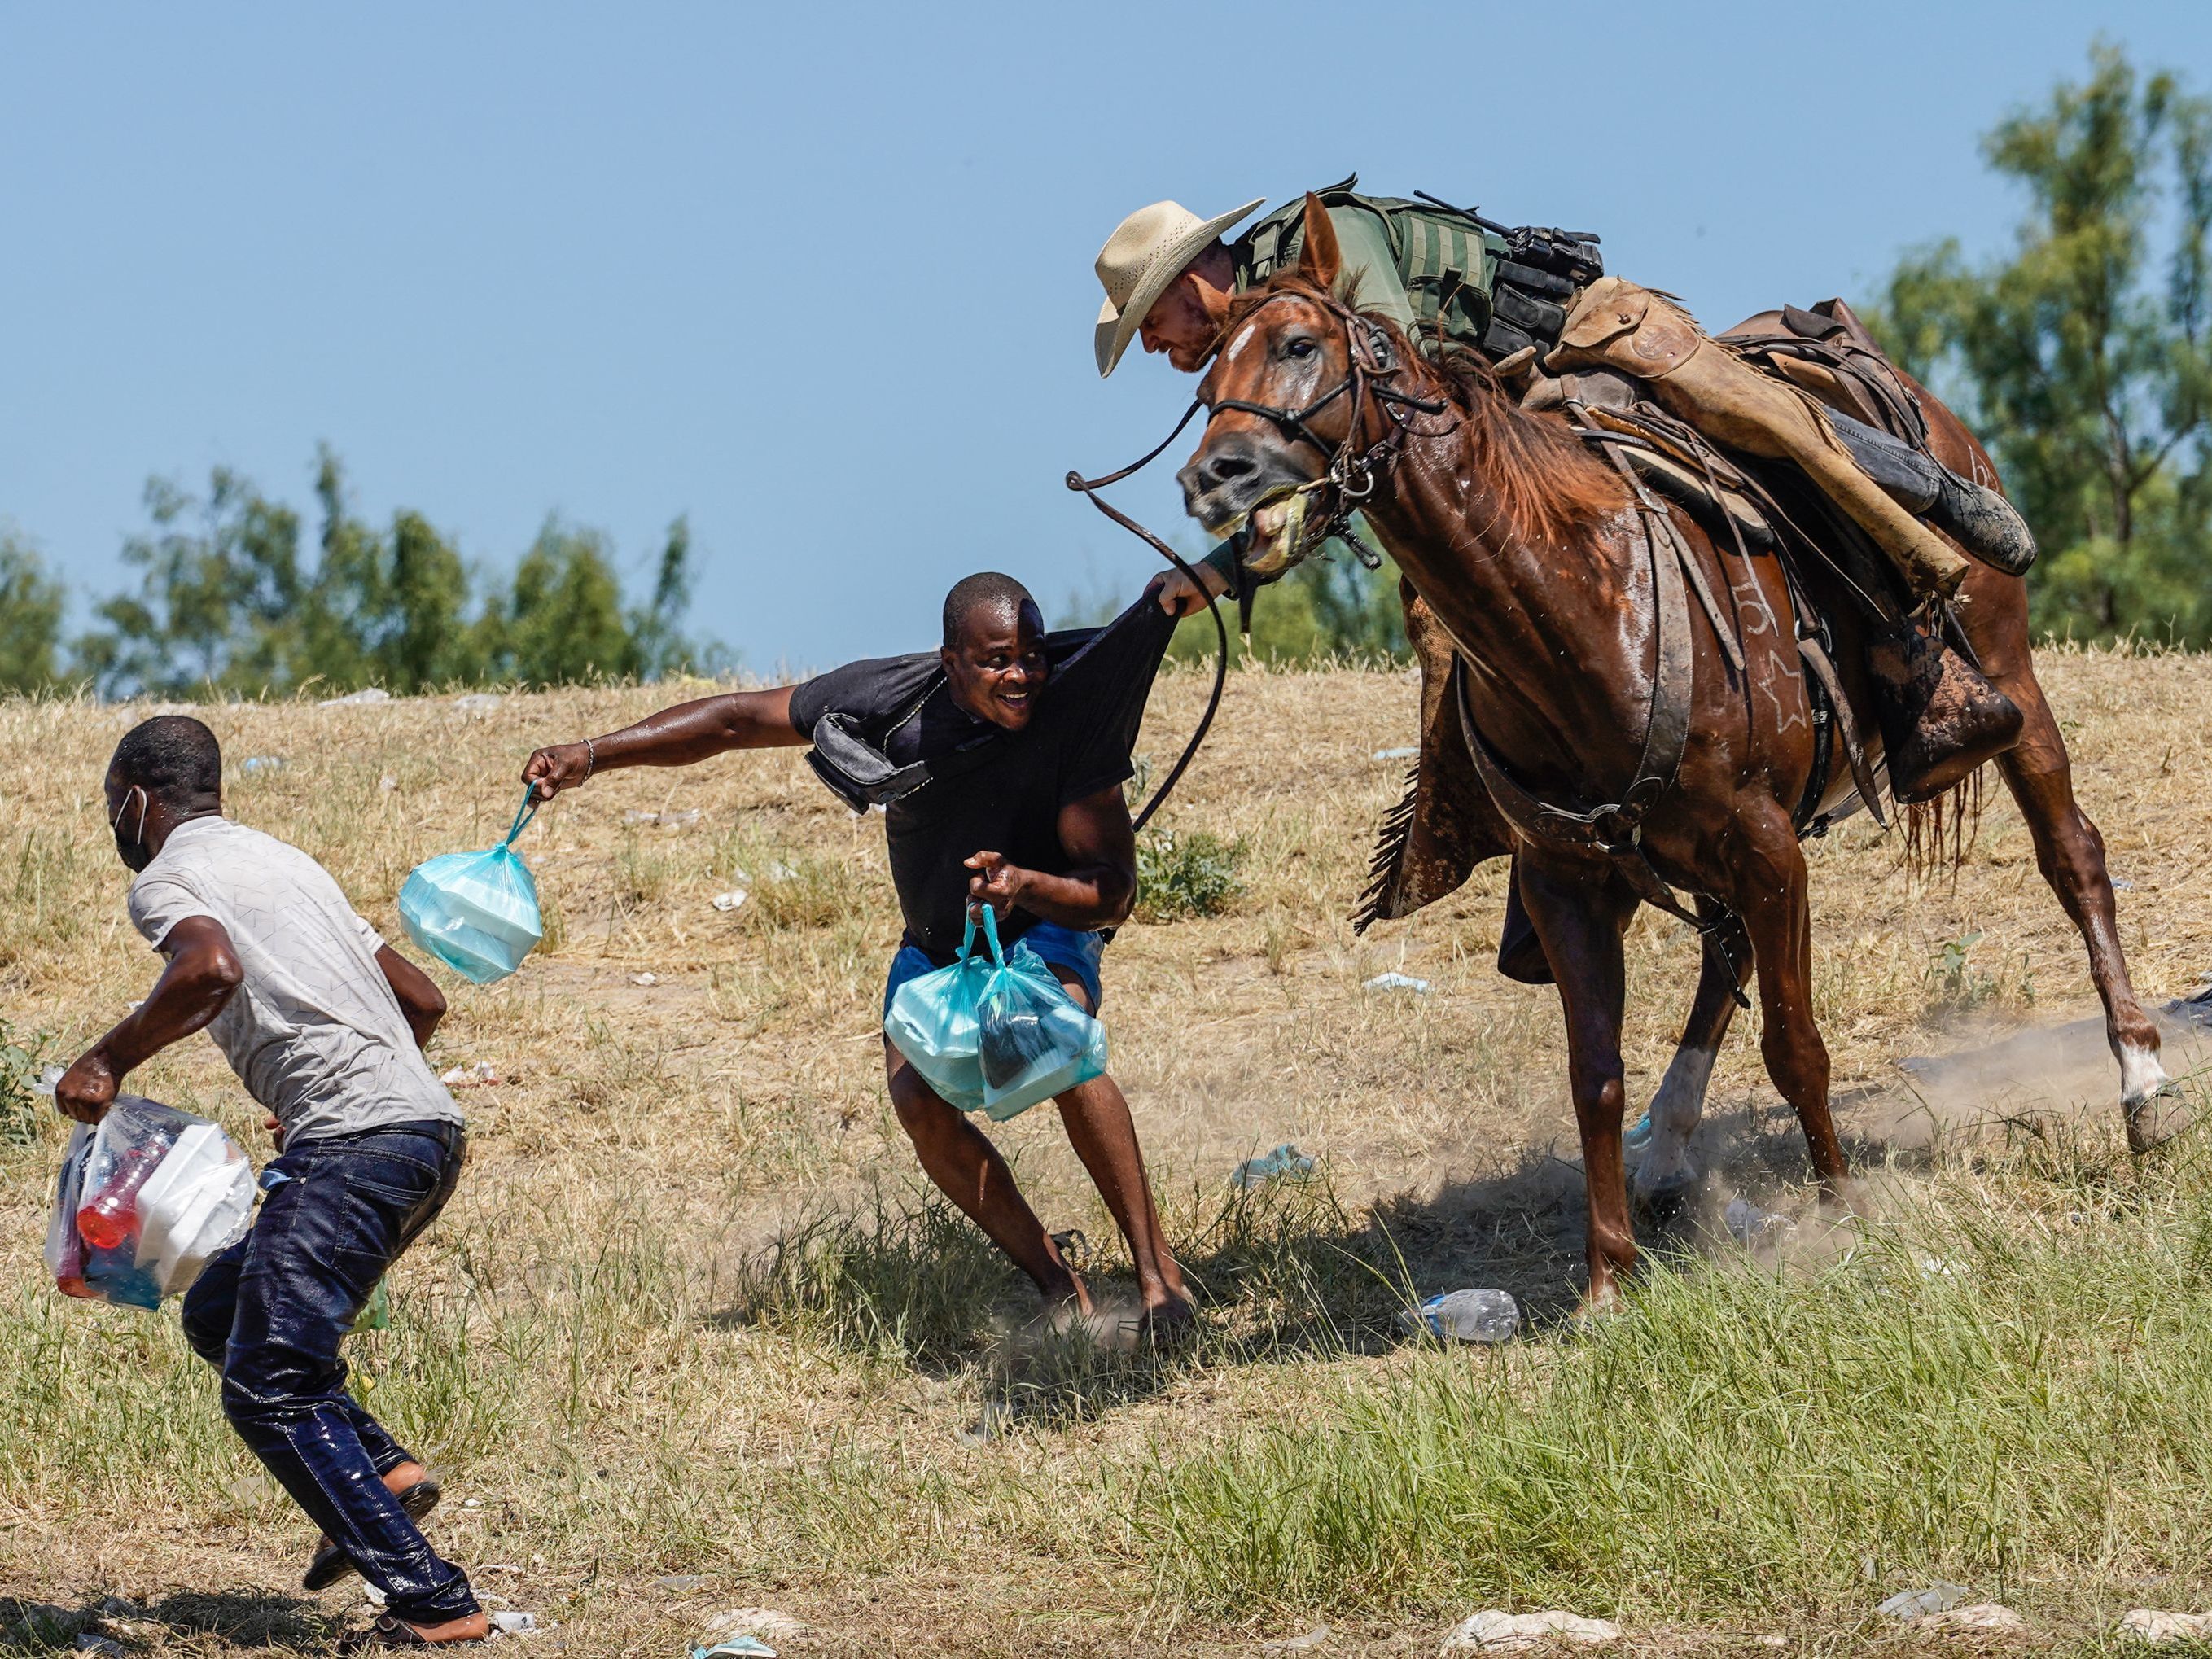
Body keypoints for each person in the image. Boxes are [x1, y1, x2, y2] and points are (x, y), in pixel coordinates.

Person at [1096, 180, 2037, 803]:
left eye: (1152, 316)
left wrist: (1234, 556)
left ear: (1196, 277)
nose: (1150, 343)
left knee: (1758, 433)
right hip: (1496, 422)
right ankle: (1513, 817)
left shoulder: (1325, 243)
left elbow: (1392, 395)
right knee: (1447, 616)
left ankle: (1920, 621)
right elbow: (1346, 457)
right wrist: (1225, 561)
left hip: (1577, 344)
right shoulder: (1263, 345)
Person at [519, 573, 1194, 1336]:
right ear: (950, 661)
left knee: (1055, 1043)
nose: (1021, 676)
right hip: (938, 946)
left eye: (1032, 656)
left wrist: (1025, 884)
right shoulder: (888, 698)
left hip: (1041, 924)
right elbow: (738, 721)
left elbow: (1112, 893)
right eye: (997, 659)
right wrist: (591, 754)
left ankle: (1157, 1279)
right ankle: (1054, 1285)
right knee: (919, 1105)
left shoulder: (1073, 717)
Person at [55, 716, 485, 1650]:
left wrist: (106, 1059)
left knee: (270, 1385)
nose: (113, 825)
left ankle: (434, 1603)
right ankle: (382, 1473)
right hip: (425, 1134)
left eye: (110, 805)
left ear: (134, 795)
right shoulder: (288, 862)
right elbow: (422, 999)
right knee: (220, 1310)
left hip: (357, 1144)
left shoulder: (170, 876)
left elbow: (208, 967)